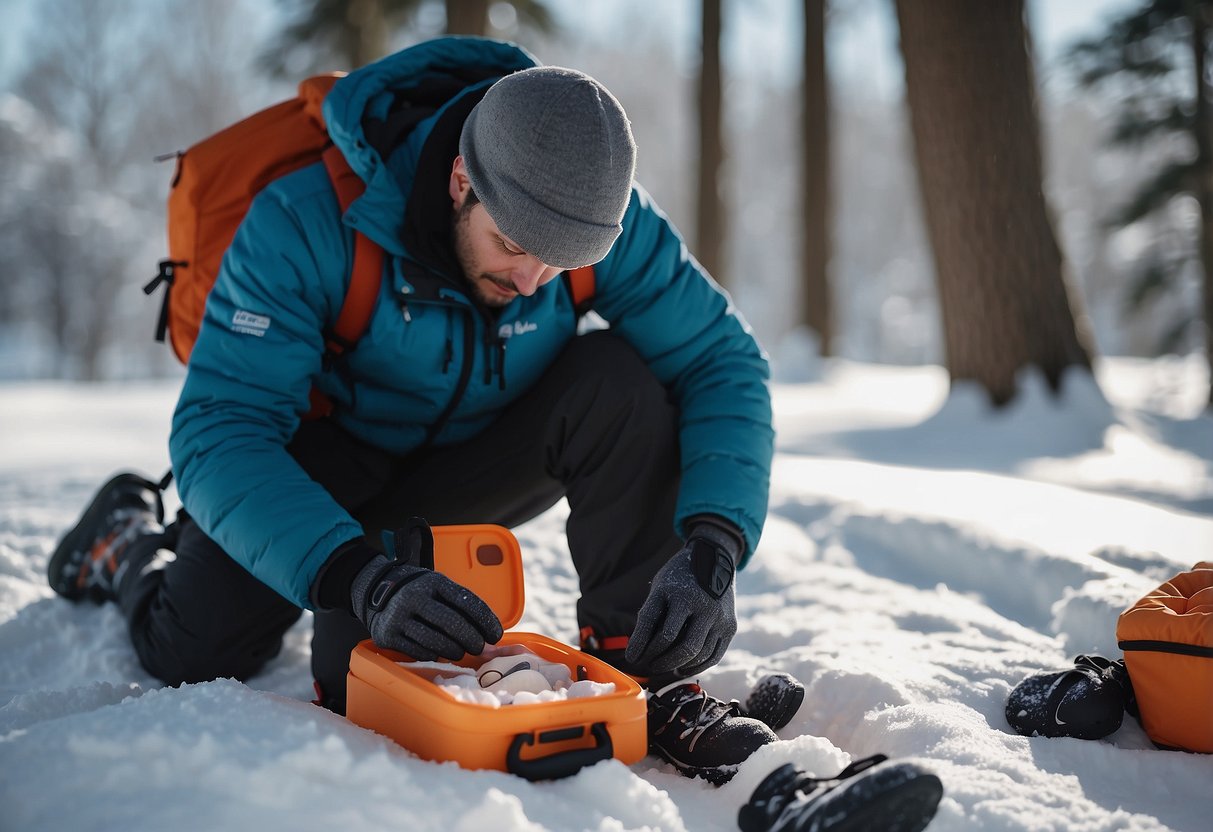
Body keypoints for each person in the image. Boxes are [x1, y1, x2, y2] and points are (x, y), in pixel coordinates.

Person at [47, 36, 786, 785]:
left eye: (561, 263)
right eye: (511, 244)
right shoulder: (304, 221)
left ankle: (639, 664)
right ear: (462, 179)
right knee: (194, 650)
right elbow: (220, 428)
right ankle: (128, 543)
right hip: (321, 468)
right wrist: (356, 575)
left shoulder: (596, 225)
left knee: (620, 381)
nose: (533, 280)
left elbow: (720, 361)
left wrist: (715, 544)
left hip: (479, 459)